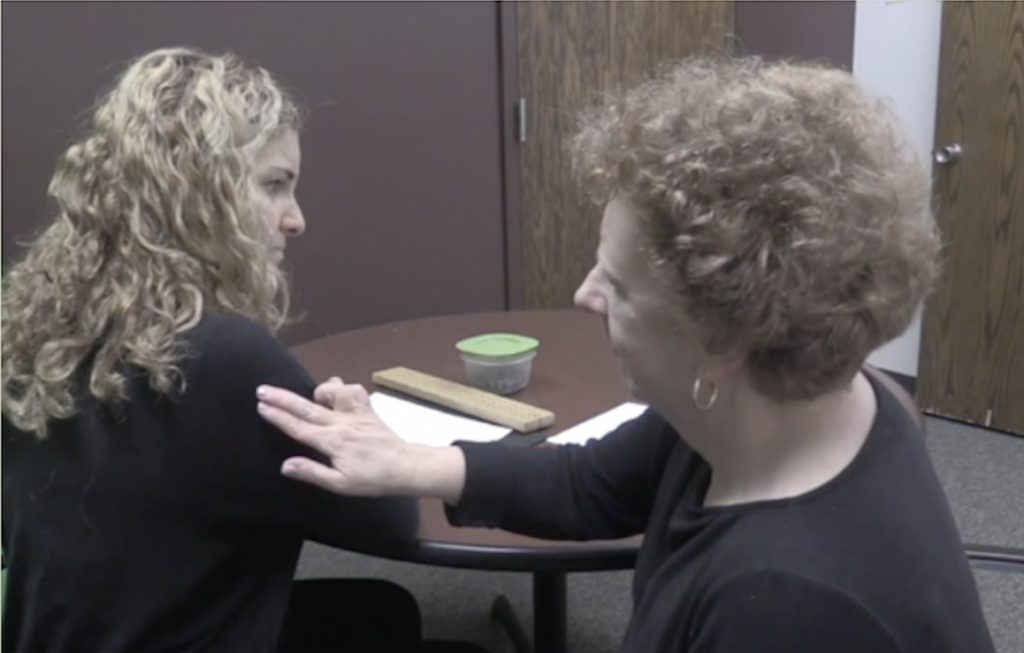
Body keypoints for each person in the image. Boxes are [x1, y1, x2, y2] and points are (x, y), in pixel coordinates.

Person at [256, 56, 997, 653]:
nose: (584, 294)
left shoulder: (783, 605)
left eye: (616, 283)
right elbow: (592, 484)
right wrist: (406, 461)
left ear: (722, 336)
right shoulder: (777, 405)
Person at [1, 47, 486, 653]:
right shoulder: (219, 355)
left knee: (380, 610)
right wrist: (367, 433)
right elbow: (389, 519)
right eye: (275, 186)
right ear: (198, 190)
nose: (296, 219)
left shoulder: (41, 333)